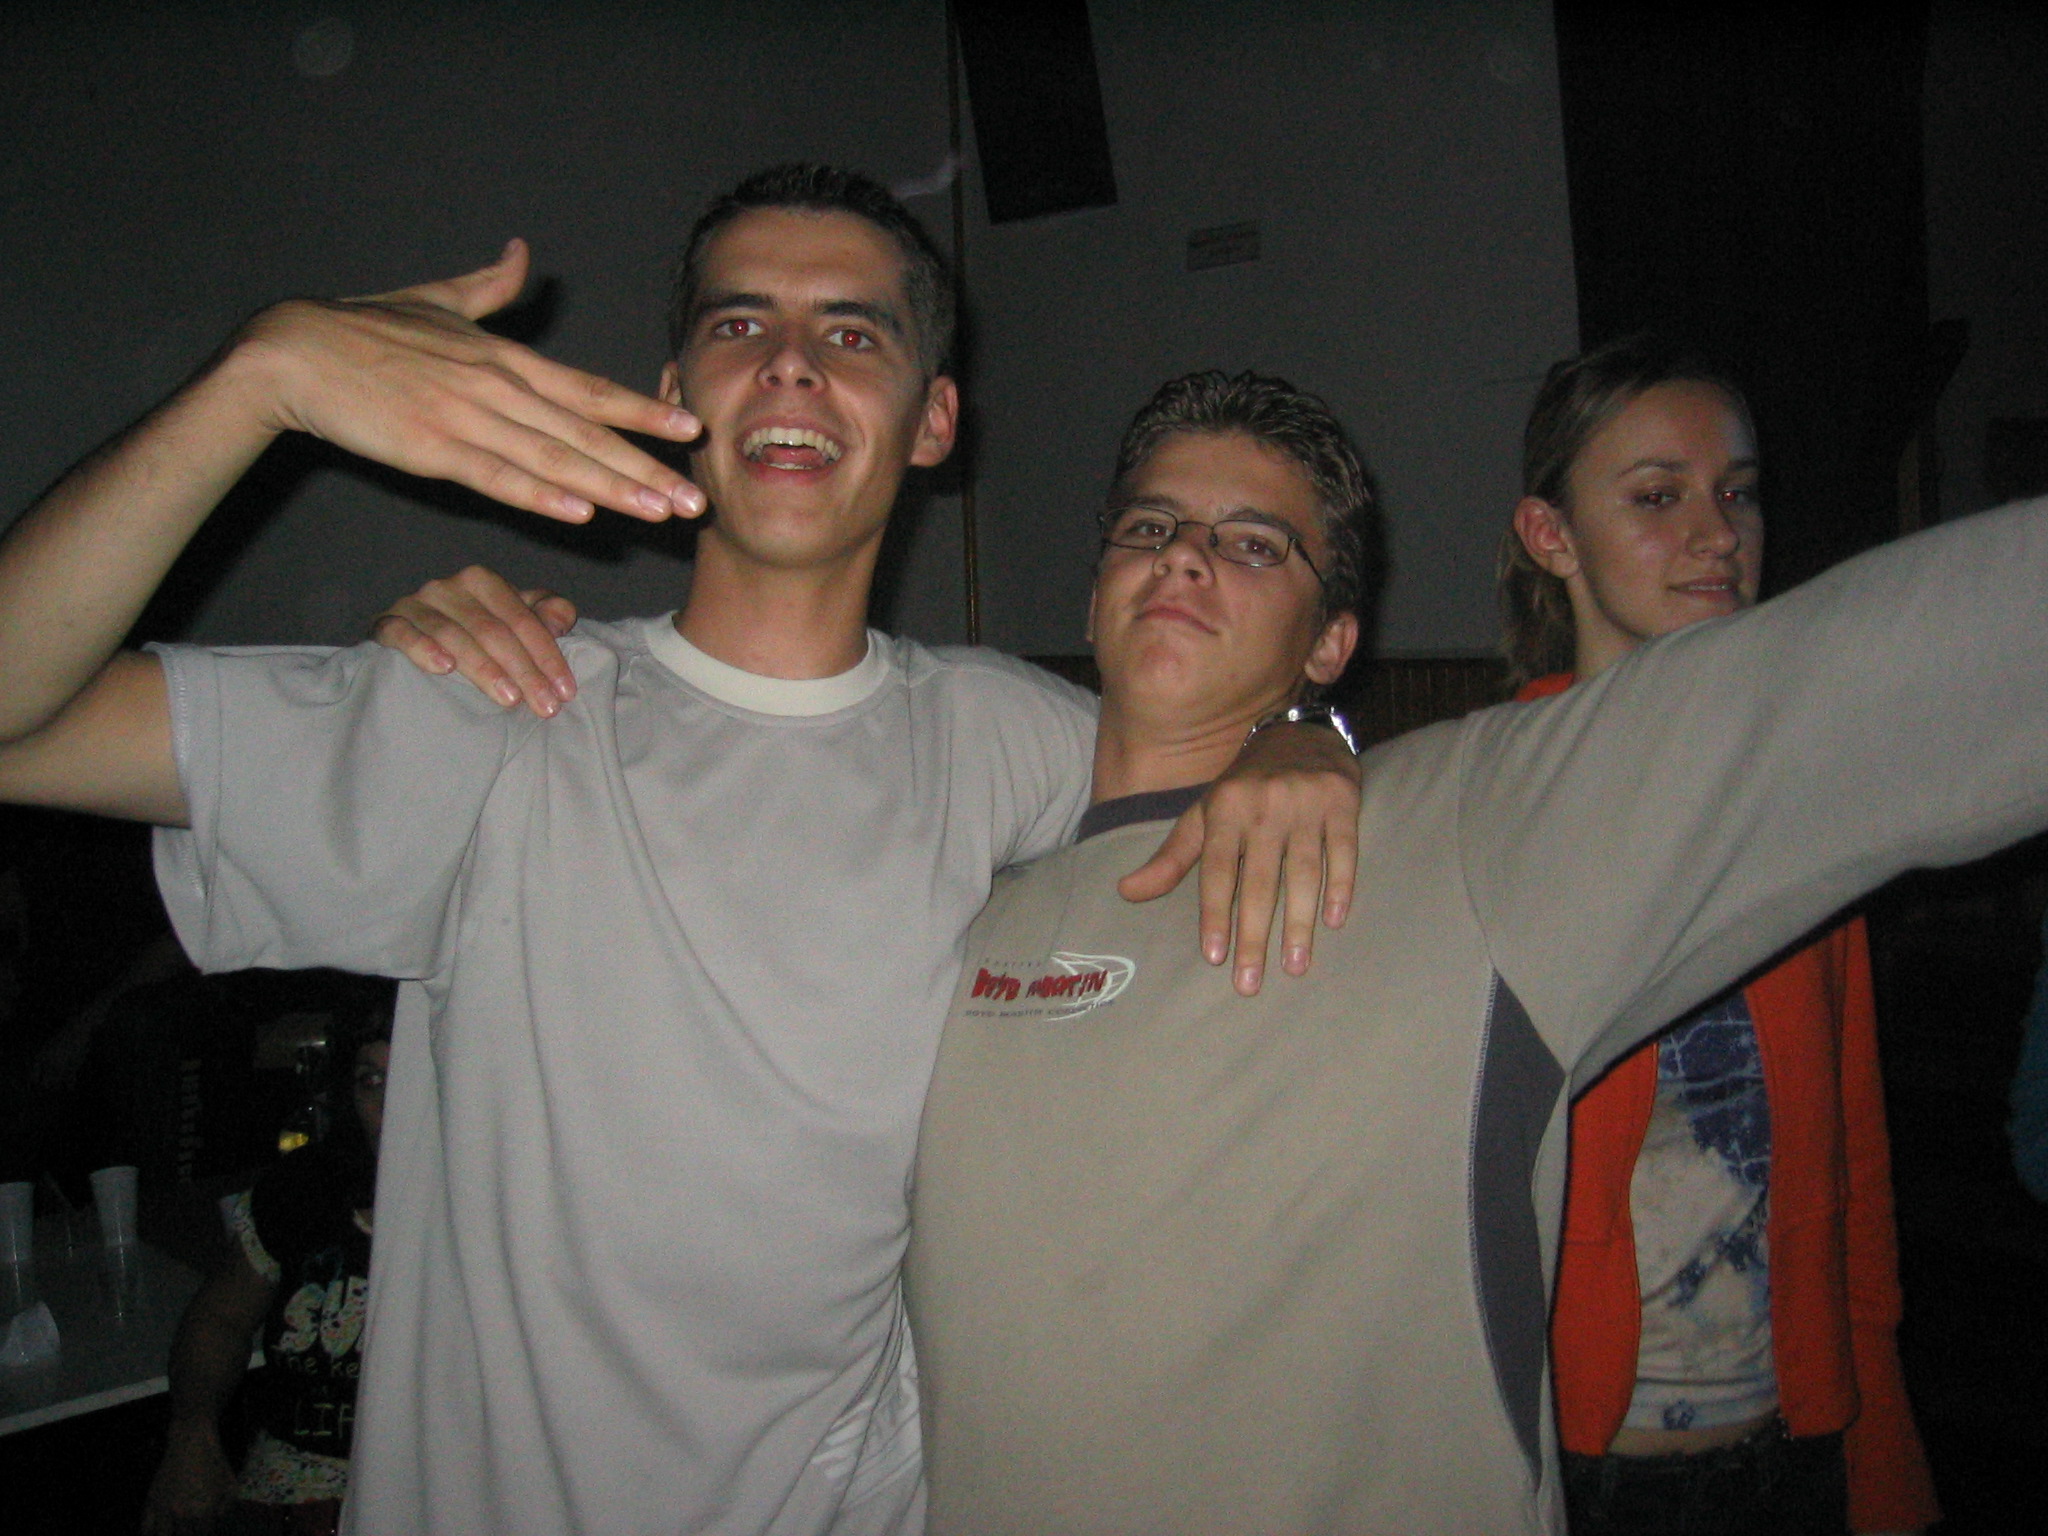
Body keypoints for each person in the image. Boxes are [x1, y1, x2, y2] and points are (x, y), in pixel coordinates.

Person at [0, 166, 1356, 1534]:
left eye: (851, 332)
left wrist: (1310, 737)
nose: (789, 363)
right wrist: (262, 379)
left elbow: (1215, 769)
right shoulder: (495, 708)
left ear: (934, 420)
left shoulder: (998, 733)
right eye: (738, 325)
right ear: (677, 396)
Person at [896, 368, 2048, 1534]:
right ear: (1095, 590)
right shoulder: (959, 903)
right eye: (1150, 527)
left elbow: (1885, 672)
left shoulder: (1460, 836)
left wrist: (1312, 738)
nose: (1184, 557)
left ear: (1331, 640)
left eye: (1251, 545)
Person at [1500, 336, 1938, 1535]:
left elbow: (1849, 1161)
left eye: (1735, 492)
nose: (1715, 533)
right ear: (1550, 535)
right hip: (1572, 1473)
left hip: (1790, 1453)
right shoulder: (1488, 811)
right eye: (1656, 497)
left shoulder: (1797, 809)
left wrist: (1878, 1455)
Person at [143, 1011, 392, 1536]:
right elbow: (220, 1319)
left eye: (410, 1077)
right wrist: (192, 1431)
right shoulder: (305, 1189)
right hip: (286, 1491)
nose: (390, 1104)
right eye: (372, 1079)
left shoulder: (496, 1211)